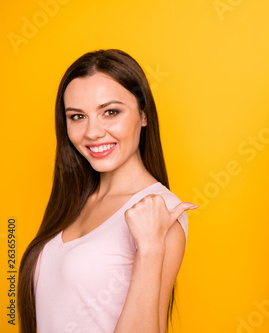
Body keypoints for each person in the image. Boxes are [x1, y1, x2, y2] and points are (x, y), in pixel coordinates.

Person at [18, 49, 196, 333]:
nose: (92, 132)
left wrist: (150, 249)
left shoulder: (158, 211)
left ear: (144, 115)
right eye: (77, 116)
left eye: (110, 112)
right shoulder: (73, 202)